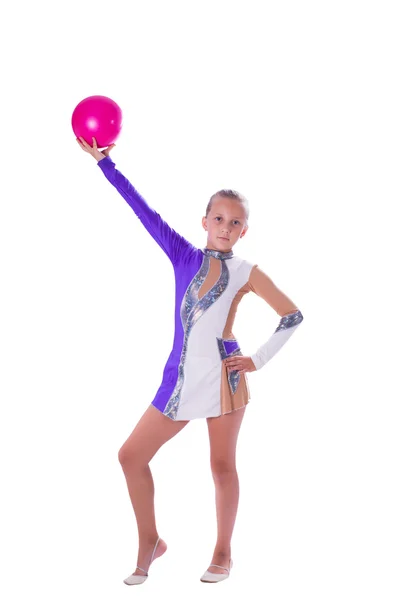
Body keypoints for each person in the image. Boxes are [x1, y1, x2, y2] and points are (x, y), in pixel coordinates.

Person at [76, 136, 304, 585]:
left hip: (225, 380)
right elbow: (142, 210)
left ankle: (223, 551)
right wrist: (106, 164)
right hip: (178, 379)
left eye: (235, 222)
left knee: (222, 467)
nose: (225, 225)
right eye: (218, 218)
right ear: (204, 221)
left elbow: (292, 315)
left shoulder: (247, 273)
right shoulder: (183, 254)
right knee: (130, 456)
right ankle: (150, 541)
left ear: (244, 231)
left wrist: (255, 360)